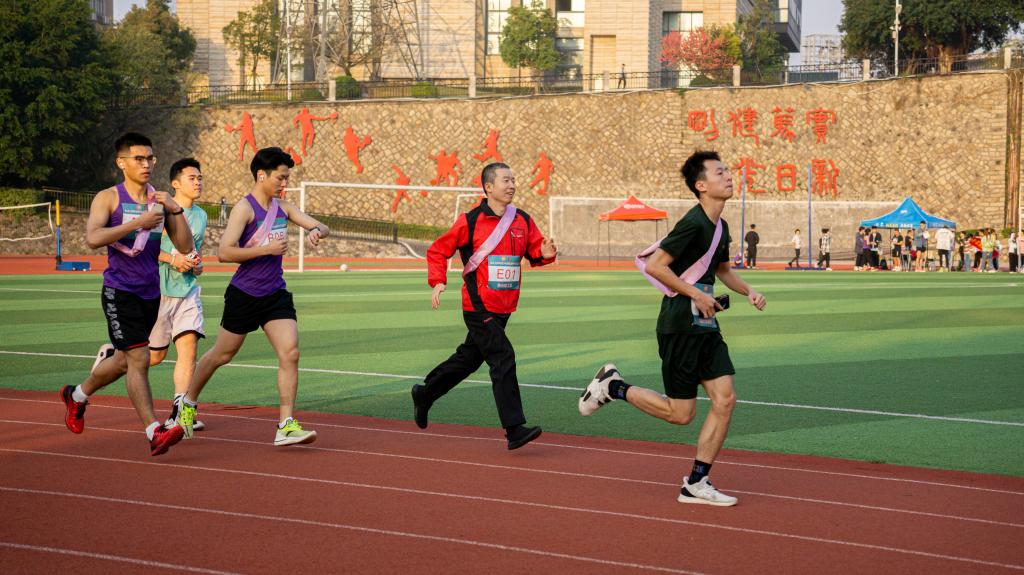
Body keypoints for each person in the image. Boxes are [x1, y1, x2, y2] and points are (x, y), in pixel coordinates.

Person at [579, 150, 766, 507]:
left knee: (725, 399)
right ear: (701, 185)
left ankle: (696, 483)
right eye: (719, 172)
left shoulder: (721, 226)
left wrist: (749, 291)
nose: (729, 176)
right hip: (680, 323)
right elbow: (656, 265)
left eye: (728, 170)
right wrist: (696, 293)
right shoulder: (693, 223)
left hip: (706, 324)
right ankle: (613, 387)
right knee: (681, 414)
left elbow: (723, 270)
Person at [176, 147, 331, 446]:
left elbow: (322, 225)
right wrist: (265, 250)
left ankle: (286, 425)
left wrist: (316, 231)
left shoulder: (283, 207)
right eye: (280, 177)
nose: (284, 183)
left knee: (291, 353)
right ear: (262, 175)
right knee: (222, 355)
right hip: (244, 294)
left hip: (275, 293)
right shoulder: (244, 209)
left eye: (287, 178)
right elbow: (224, 252)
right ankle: (188, 402)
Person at [59, 132, 195, 456]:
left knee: (123, 360)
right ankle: (154, 431)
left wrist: (175, 209)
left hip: (151, 293)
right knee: (139, 358)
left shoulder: (159, 201)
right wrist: (139, 223)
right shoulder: (108, 198)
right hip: (119, 290)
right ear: (121, 162)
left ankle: (76, 396)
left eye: (150, 158)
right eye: (139, 159)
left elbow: (185, 246)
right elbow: (93, 238)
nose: (146, 164)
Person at [412, 163, 557, 450]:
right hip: (478, 307)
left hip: (505, 307)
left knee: (469, 359)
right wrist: (438, 281)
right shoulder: (470, 221)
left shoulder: (523, 220)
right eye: (505, 180)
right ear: (489, 187)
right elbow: (438, 250)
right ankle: (514, 429)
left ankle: (426, 393)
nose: (512, 185)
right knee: (503, 356)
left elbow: (535, 252)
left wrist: (545, 253)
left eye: (513, 180)